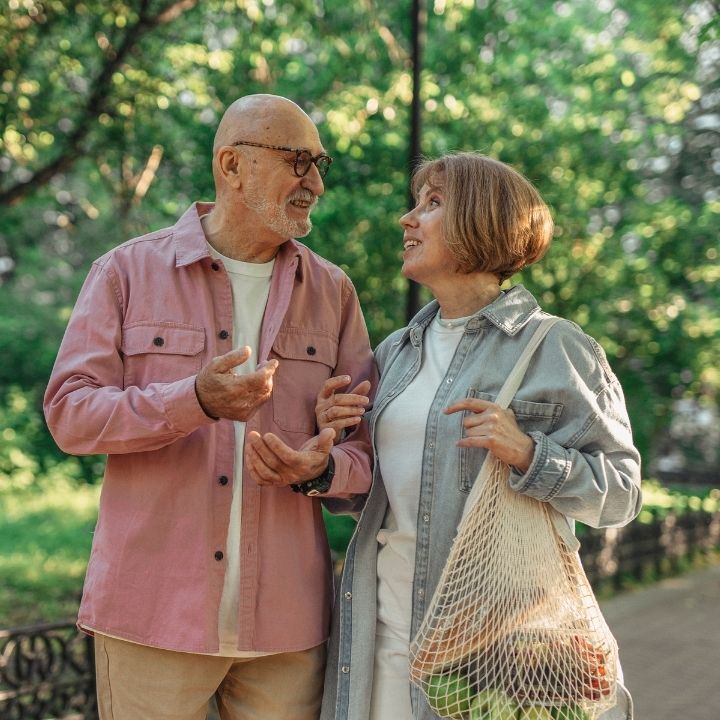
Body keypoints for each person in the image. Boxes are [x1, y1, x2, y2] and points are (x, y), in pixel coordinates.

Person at [43, 94, 376, 720]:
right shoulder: (125, 273)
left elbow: (365, 453)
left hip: (287, 624)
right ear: (232, 166)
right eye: (299, 161)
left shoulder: (332, 292)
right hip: (151, 615)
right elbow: (69, 414)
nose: (317, 183)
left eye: (320, 164)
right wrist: (191, 400)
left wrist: (323, 471)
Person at [310, 153, 642, 720]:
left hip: (492, 654)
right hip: (381, 627)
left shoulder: (556, 348)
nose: (407, 220)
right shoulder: (395, 353)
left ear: (480, 222)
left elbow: (620, 495)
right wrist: (327, 454)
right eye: (416, 203)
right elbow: (374, 498)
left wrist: (530, 454)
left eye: (432, 204)